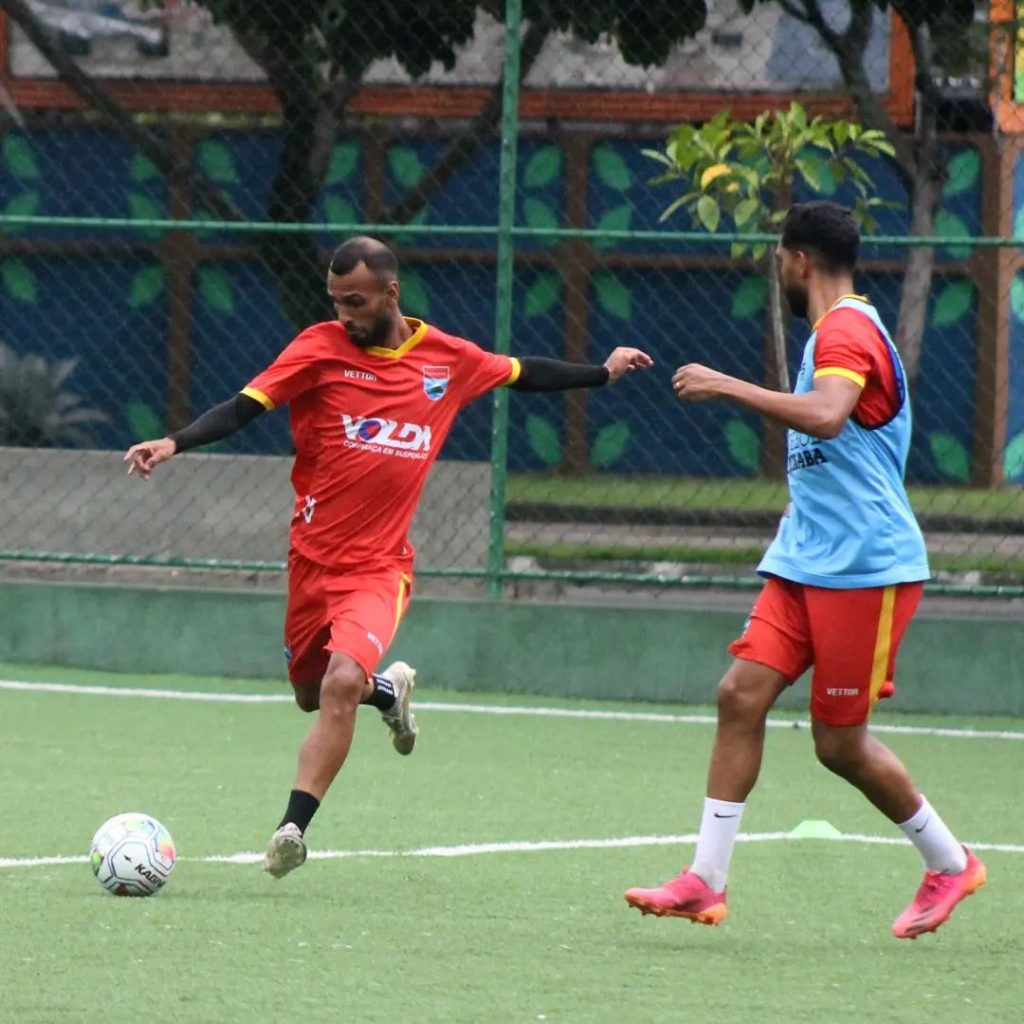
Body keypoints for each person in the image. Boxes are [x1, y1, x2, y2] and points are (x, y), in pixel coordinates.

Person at [125, 236, 652, 879]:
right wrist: (175, 442)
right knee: (309, 693)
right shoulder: (318, 348)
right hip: (311, 560)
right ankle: (389, 692)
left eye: (356, 301)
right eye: (336, 301)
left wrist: (602, 371)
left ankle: (292, 828)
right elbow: (244, 407)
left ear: (390, 292)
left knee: (339, 681)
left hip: (380, 567)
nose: (345, 313)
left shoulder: (447, 359)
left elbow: (524, 371)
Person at [623, 201, 985, 940]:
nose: (776, 270)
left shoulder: (847, 327)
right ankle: (705, 881)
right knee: (740, 695)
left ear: (796, 260)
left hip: (866, 565)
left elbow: (826, 415)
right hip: (807, 559)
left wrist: (725, 385)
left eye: (777, 258)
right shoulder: (833, 329)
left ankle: (950, 863)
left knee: (838, 744)